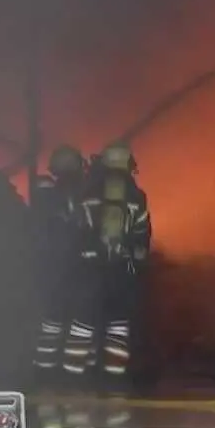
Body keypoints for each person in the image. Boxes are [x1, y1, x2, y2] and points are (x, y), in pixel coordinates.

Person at [64, 142, 152, 390]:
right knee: (118, 326)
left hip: (88, 271)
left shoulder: (85, 193)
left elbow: (72, 232)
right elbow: (143, 237)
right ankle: (113, 379)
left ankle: (73, 380)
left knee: (82, 325)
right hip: (121, 273)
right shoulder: (137, 197)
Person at [30, 145, 88, 378]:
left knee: (54, 321)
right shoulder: (67, 199)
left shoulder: (51, 198)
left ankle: (48, 370)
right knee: (76, 319)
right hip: (68, 266)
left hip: (53, 268)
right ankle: (72, 372)